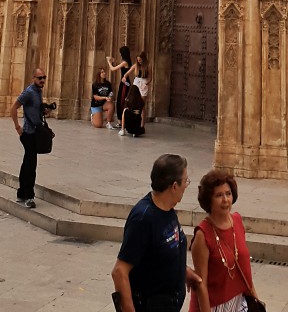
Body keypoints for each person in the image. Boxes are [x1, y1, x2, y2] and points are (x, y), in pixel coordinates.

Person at [112, 153, 200, 312]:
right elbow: (119, 272)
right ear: (174, 186)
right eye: (185, 181)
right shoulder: (143, 219)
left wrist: (182, 271)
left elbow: (160, 252)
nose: (186, 186)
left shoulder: (167, 209)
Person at [190, 170, 263, 312]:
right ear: (209, 199)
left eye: (228, 194)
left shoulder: (237, 220)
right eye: (219, 195)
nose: (225, 200)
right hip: (214, 306)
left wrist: (256, 300)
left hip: (240, 302)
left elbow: (244, 269)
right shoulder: (202, 234)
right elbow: (201, 284)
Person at [10, 67, 48, 209]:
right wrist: (17, 127)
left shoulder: (38, 91)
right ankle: (29, 196)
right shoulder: (29, 92)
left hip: (34, 132)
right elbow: (14, 107)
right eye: (40, 78)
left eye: (44, 77)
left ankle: (21, 192)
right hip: (28, 133)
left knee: (27, 163)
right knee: (31, 165)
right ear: (33, 78)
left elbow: (34, 111)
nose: (42, 80)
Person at [108, 46, 132, 124]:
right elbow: (118, 62)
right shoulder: (126, 61)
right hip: (124, 83)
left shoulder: (125, 62)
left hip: (125, 83)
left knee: (121, 102)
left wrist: (108, 61)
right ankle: (120, 122)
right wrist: (113, 60)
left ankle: (121, 122)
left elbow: (113, 69)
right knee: (120, 101)